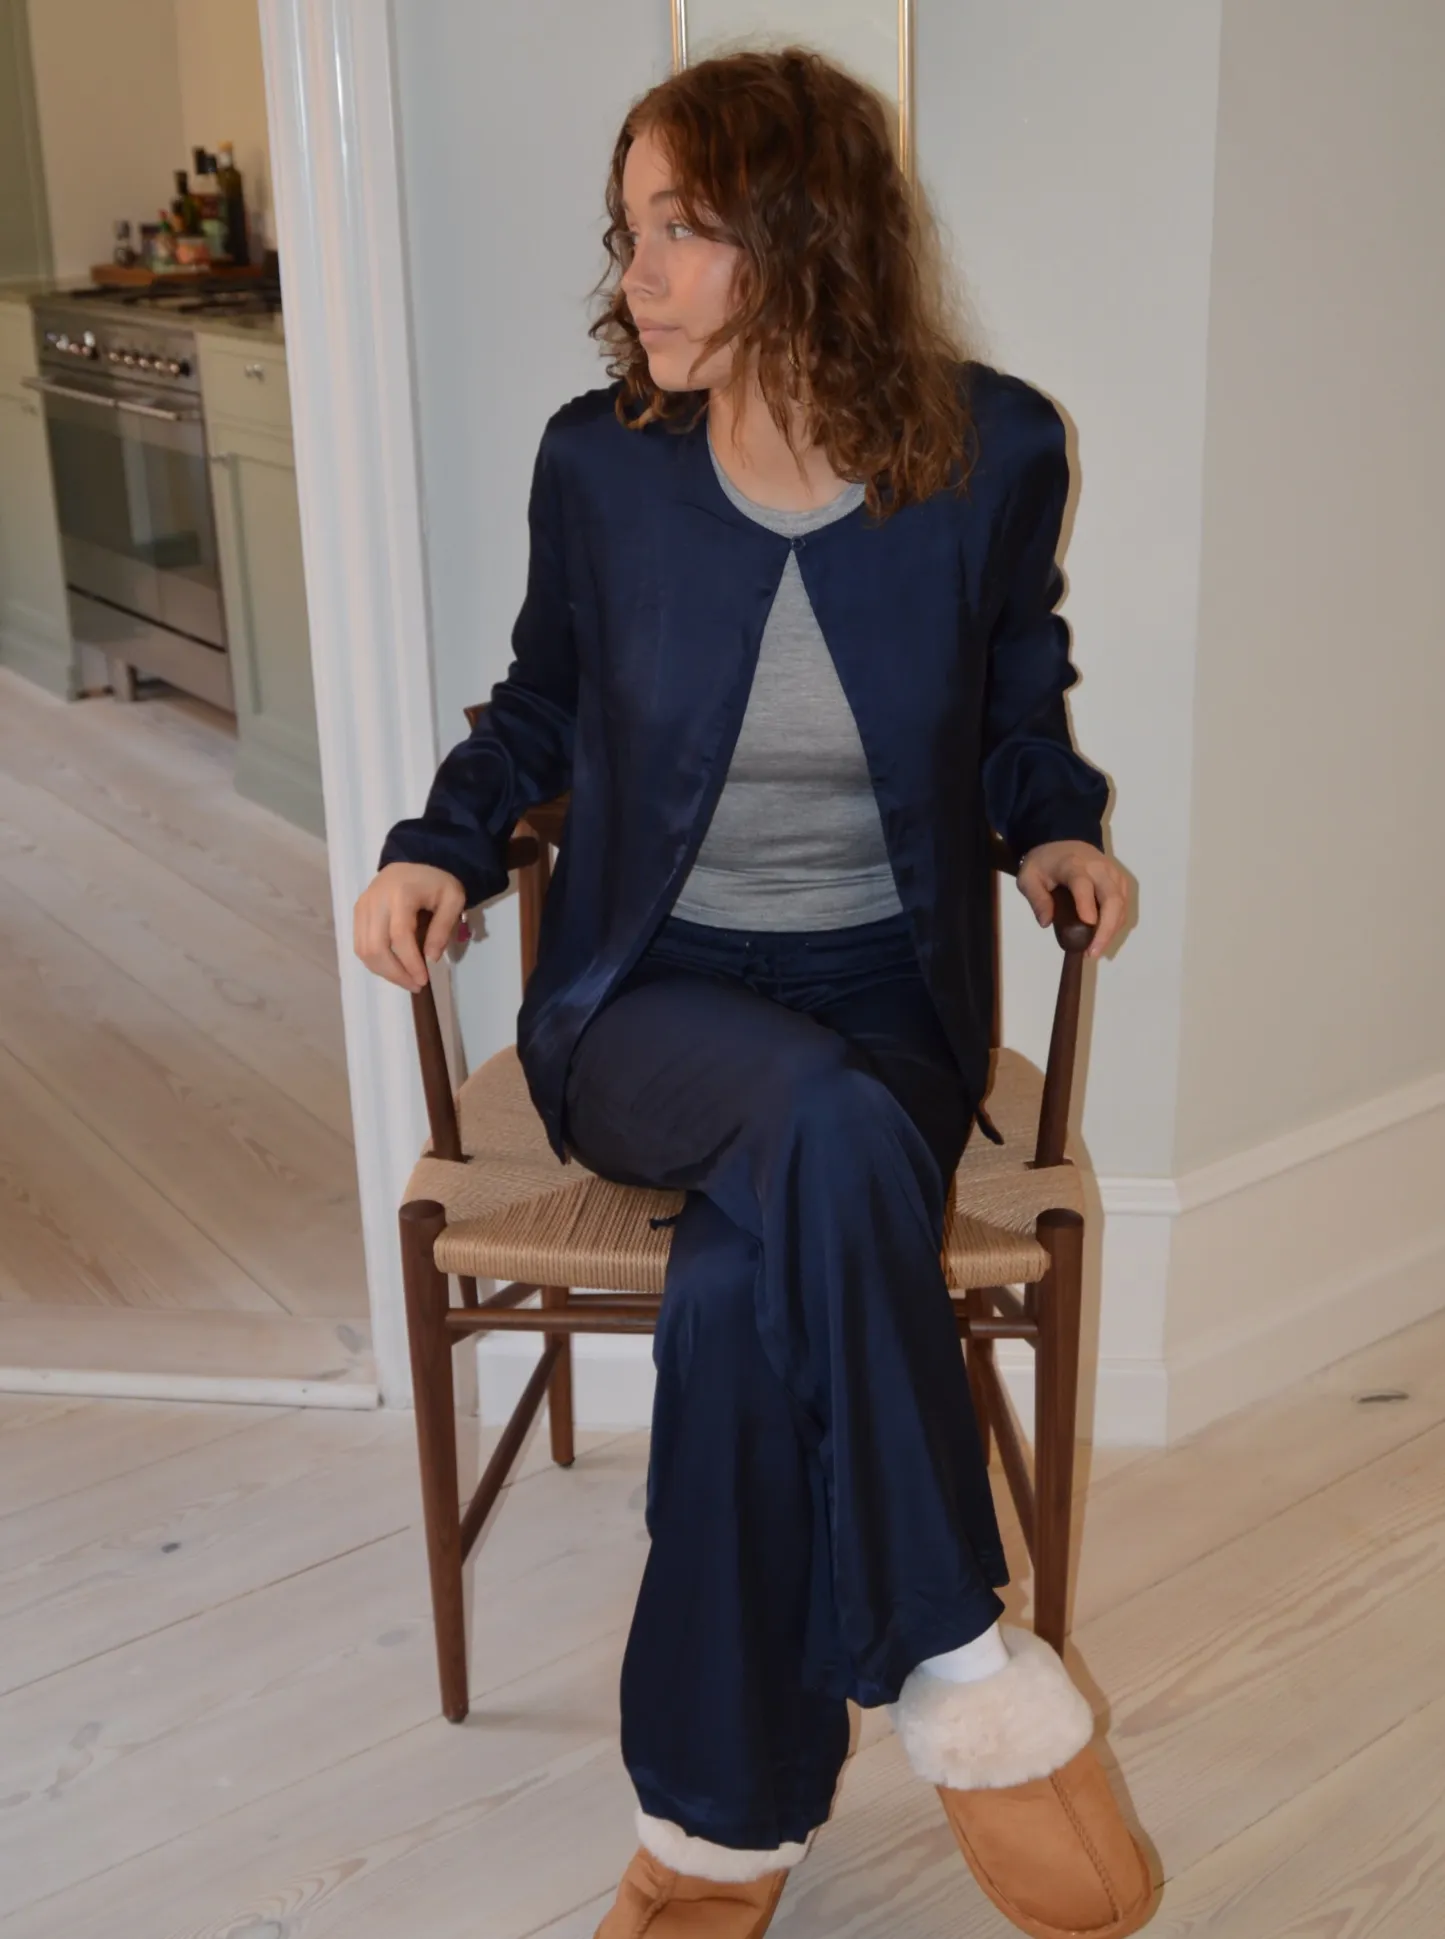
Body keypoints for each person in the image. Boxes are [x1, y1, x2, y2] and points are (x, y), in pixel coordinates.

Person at [355, 44, 1154, 1939]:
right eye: (629, 230)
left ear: (807, 236)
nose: (637, 274)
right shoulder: (601, 463)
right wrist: (439, 842)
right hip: (645, 999)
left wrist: (1058, 827)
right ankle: (958, 1650)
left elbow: (1017, 698)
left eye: (684, 229)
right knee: (815, 1128)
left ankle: (716, 1838)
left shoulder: (996, 449)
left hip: (886, 997)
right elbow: (540, 702)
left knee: (735, 1292)